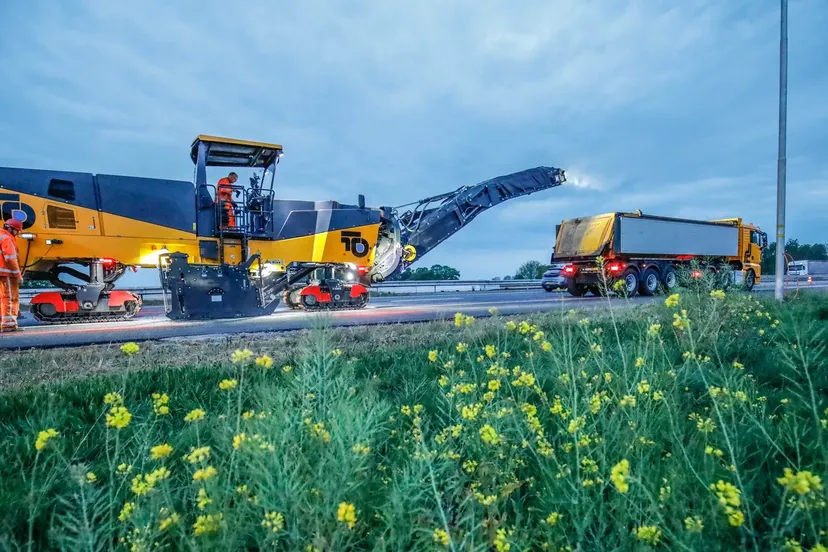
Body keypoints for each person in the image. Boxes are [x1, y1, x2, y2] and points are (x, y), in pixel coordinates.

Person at [0, 218, 23, 332]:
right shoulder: (7, 238)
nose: (18, 234)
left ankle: (3, 323)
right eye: (17, 231)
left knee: (2, 298)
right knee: (9, 298)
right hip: (5, 273)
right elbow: (10, 259)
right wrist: (18, 275)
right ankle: (8, 324)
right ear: (10, 228)